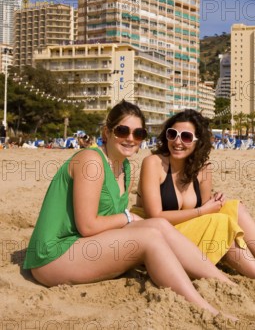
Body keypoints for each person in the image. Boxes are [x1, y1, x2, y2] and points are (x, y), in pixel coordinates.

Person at [23, 100, 236, 318]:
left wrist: (131, 220)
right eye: (122, 131)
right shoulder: (91, 161)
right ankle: (205, 308)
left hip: (81, 245)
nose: (130, 139)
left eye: (138, 133)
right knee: (149, 238)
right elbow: (87, 226)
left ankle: (226, 284)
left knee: (158, 225)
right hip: (52, 256)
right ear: (107, 132)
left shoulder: (124, 167)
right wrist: (127, 217)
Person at [135, 109, 255, 288]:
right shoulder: (154, 163)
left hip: (186, 234)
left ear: (198, 142)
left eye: (186, 137)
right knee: (220, 222)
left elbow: (206, 214)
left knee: (233, 207)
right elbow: (155, 215)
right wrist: (203, 210)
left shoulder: (203, 169)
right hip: (157, 236)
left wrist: (215, 203)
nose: (177, 141)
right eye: (172, 134)